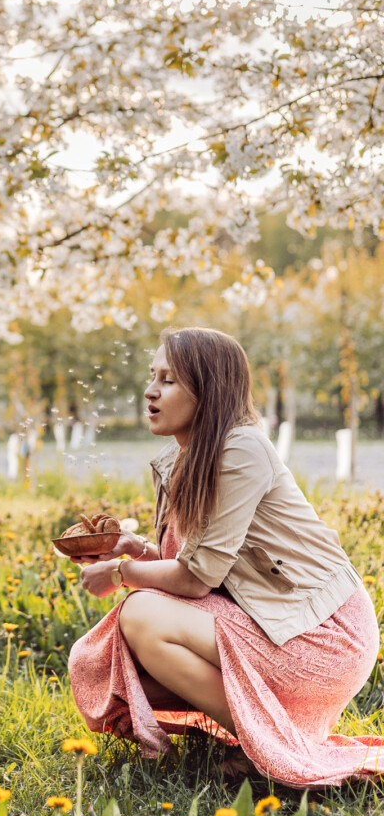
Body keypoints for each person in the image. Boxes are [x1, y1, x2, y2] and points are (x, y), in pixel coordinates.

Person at [68, 326, 384, 788]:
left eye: (169, 380)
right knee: (109, 660)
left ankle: (277, 752)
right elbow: (213, 569)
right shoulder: (183, 458)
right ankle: (262, 740)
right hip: (268, 622)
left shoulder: (241, 448)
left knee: (138, 614)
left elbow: (195, 581)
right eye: (152, 376)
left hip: (319, 634)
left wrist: (121, 572)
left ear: (208, 388)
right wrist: (138, 550)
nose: (150, 390)